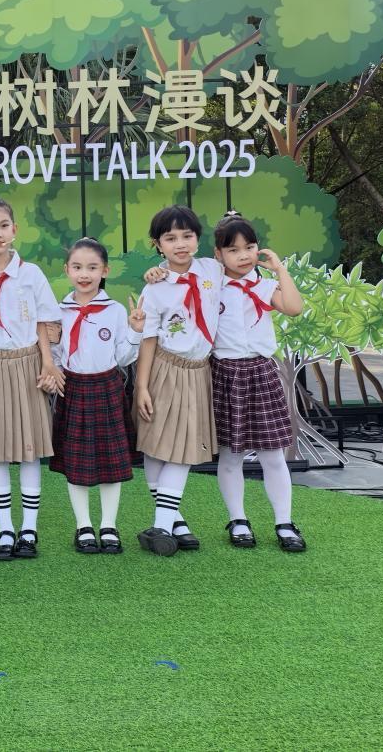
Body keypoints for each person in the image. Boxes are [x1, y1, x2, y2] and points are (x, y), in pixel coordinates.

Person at [0, 199, 60, 561]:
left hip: (28, 364)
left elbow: (43, 322)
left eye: (4, 225)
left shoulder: (30, 274)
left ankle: (29, 529)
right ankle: (5, 529)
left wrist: (48, 364)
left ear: (15, 230)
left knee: (30, 449)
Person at [211, 213, 307, 553]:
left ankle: (284, 522)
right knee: (230, 454)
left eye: (249, 247)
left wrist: (279, 270)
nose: (243, 255)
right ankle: (238, 520)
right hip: (224, 373)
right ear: (218, 254)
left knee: (273, 454)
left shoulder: (264, 286)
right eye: (233, 249)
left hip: (261, 372)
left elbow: (293, 307)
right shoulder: (210, 286)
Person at [133, 205, 223, 557]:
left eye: (187, 236)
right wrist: (142, 386)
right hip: (164, 369)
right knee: (157, 444)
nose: (180, 244)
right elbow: (148, 340)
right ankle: (170, 523)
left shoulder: (213, 269)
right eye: (170, 238)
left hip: (198, 371)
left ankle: (165, 524)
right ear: (158, 244)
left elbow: (239, 256)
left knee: (182, 449)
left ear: (199, 239)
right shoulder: (154, 288)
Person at [49, 239, 145, 556]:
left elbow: (123, 357)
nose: (84, 274)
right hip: (72, 388)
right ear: (67, 270)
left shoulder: (115, 310)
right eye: (77, 267)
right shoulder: (58, 312)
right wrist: (55, 372)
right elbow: (55, 353)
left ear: (105, 270)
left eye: (92, 268)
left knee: (109, 461)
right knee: (76, 460)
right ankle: (83, 526)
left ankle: (109, 525)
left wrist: (135, 331)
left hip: (107, 387)